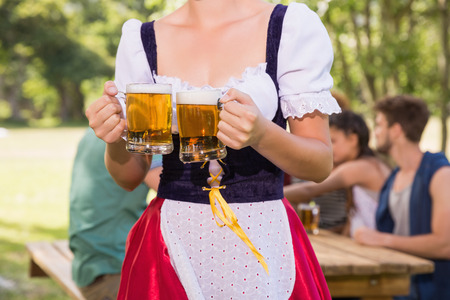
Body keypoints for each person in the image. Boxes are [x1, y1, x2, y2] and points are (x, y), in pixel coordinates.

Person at [86, 1, 342, 299]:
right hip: (170, 241)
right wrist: (114, 138)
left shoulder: (290, 27)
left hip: (264, 239)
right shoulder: (141, 40)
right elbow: (129, 176)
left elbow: (320, 163)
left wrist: (262, 134)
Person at [354, 95, 450, 300]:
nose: (375, 132)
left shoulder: (440, 173)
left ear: (396, 130)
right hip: (398, 289)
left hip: (433, 291)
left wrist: (381, 239)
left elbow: (445, 245)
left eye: (379, 124)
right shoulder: (393, 178)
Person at [68, 128, 162, 300]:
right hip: (115, 270)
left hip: (88, 262)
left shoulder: (97, 127)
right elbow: (174, 190)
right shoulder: (143, 129)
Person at [284, 110, 391, 237]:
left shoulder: (360, 167)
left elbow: (310, 189)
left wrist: (274, 194)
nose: (329, 147)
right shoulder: (373, 162)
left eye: (333, 141)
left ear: (352, 139)